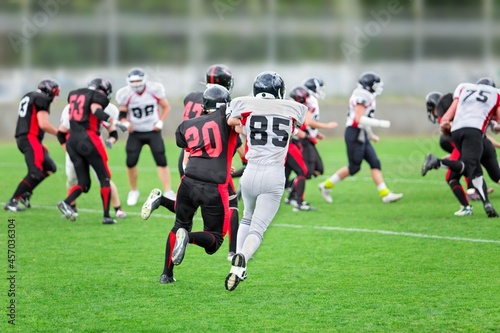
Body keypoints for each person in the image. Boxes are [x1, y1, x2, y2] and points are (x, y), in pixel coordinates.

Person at [142, 64, 240, 261]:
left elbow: (185, 137)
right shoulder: (223, 113)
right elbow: (228, 129)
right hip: (213, 158)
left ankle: (161, 201)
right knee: (231, 204)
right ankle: (232, 251)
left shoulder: (191, 98)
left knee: (187, 205)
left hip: (191, 156)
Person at [224, 71, 307, 291]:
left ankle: (236, 263)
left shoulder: (244, 105)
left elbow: (232, 121)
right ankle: (241, 258)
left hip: (249, 172)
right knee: (258, 229)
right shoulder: (293, 109)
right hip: (273, 173)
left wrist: (245, 124)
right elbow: (291, 131)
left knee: (246, 218)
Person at [158, 85, 238, 284]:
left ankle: (166, 274)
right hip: (214, 186)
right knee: (215, 240)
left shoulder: (187, 124)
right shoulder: (226, 120)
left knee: (178, 225)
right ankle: (189, 238)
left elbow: (183, 143)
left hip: (188, 181)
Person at [318, 72, 403, 204]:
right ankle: (326, 185)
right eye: (375, 85)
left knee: (375, 162)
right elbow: (359, 119)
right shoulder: (362, 94)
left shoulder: (366, 94)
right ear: (369, 85)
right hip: (354, 133)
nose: (377, 87)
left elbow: (363, 120)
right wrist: (380, 123)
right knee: (354, 167)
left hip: (361, 133)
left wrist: (371, 134)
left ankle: (385, 194)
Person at [422, 77, 500, 217]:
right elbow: (496, 125)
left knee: (471, 169)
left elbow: (447, 118)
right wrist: (494, 125)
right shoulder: (495, 94)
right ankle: (438, 162)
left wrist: (445, 123)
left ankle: (484, 203)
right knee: (474, 169)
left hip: (459, 132)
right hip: (477, 136)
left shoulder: (464, 88)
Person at [56, 78, 118, 224]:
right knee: (104, 178)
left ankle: (67, 202)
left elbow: (61, 132)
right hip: (89, 139)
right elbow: (96, 111)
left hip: (72, 142)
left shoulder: (74, 100)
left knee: (84, 183)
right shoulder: (95, 99)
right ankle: (106, 216)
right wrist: (114, 121)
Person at [116, 68, 175, 206]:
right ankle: (133, 191)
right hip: (135, 132)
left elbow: (166, 107)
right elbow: (122, 114)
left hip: (152, 130)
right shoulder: (125, 93)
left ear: (144, 79)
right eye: (133, 81)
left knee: (161, 160)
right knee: (131, 161)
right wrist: (125, 123)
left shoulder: (154, 89)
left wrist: (160, 121)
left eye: (138, 80)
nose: (136, 84)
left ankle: (167, 190)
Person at [58, 102, 127, 219]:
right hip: (75, 146)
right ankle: (71, 207)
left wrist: (110, 140)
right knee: (73, 179)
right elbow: (61, 132)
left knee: (103, 179)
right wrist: (68, 150)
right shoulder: (73, 107)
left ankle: (117, 208)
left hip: (93, 145)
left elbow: (112, 131)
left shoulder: (107, 108)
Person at [4, 79, 60, 212]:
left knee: (49, 167)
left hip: (27, 137)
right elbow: (43, 124)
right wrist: (60, 134)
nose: (54, 96)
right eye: (54, 93)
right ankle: (12, 201)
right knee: (34, 173)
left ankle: (25, 193)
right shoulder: (41, 99)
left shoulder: (29, 96)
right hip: (30, 138)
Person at [300, 78, 338, 179]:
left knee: (317, 169)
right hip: (304, 138)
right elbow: (307, 121)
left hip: (307, 136)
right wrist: (327, 126)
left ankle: (291, 187)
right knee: (309, 171)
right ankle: (292, 188)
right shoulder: (311, 100)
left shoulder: (309, 99)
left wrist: (315, 133)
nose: (321, 91)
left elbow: (305, 121)